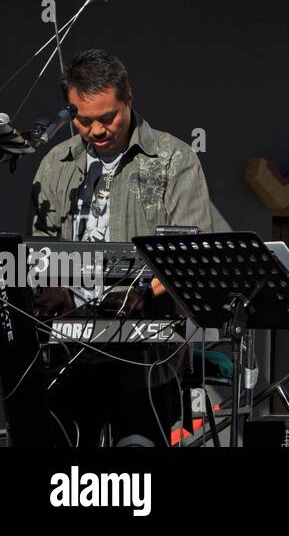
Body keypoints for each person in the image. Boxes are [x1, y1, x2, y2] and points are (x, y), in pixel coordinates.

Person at [30, 48, 226, 447]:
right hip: (70, 354)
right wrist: (50, 287)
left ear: (129, 98)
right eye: (84, 121)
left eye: (108, 118)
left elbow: (188, 254)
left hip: (146, 362)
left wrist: (140, 290)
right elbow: (41, 249)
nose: (97, 131)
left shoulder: (173, 160)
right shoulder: (56, 163)